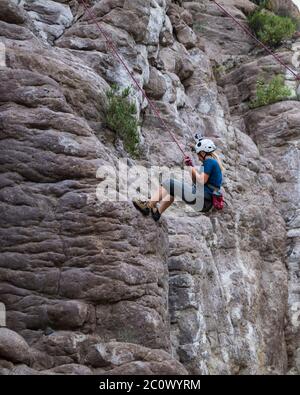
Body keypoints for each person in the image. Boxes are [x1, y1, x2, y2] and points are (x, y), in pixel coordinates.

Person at [133, 138, 224, 221]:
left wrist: (192, 168)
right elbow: (196, 182)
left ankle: (148, 206)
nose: (198, 157)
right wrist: (190, 167)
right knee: (172, 190)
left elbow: (201, 180)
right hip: (204, 203)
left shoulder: (209, 162)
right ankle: (157, 213)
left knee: (168, 183)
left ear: (203, 153)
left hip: (201, 198)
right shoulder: (213, 163)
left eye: (198, 153)